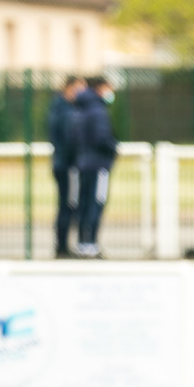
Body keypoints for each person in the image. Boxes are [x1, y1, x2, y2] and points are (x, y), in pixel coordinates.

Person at [74, 76, 118, 258]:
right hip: (98, 164)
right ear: (101, 88)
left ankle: (82, 243)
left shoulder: (80, 109)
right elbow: (102, 138)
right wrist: (113, 147)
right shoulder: (98, 111)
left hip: (83, 163)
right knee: (95, 203)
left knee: (84, 204)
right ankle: (90, 243)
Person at [47, 76, 85, 258]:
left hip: (64, 163)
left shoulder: (59, 108)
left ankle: (63, 245)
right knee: (68, 206)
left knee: (67, 205)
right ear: (69, 88)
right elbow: (69, 140)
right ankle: (62, 247)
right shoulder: (66, 111)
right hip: (68, 165)